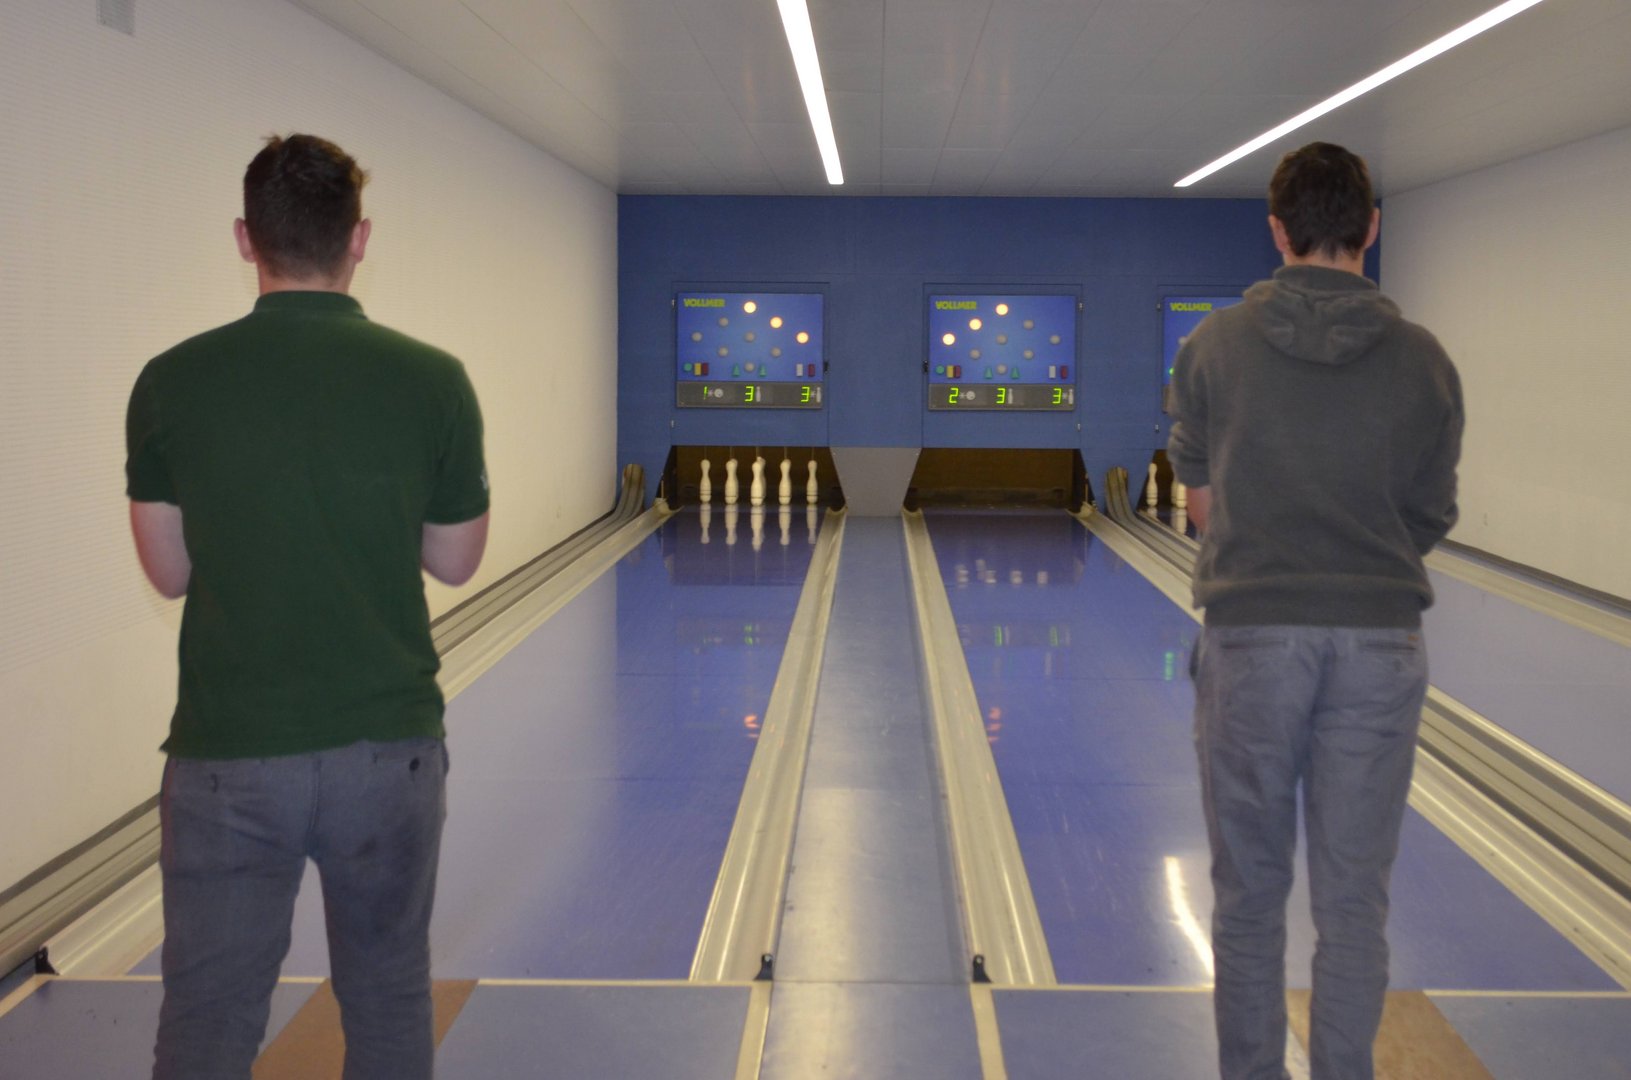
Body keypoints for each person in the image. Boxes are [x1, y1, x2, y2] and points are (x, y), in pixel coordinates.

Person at [126, 134, 490, 1079]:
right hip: (387, 750)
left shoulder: (170, 379)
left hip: (227, 755)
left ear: (246, 239)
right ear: (358, 238)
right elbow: (456, 561)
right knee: (387, 995)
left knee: (207, 1017)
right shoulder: (433, 377)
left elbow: (167, 572)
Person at [1166, 141, 1463, 1080]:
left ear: (1275, 230)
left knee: (1248, 896)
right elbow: (1429, 513)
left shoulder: (1212, 347)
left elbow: (1200, 505)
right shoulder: (1424, 359)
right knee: (1353, 903)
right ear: (1369, 228)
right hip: (1380, 644)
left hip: (1251, 637)